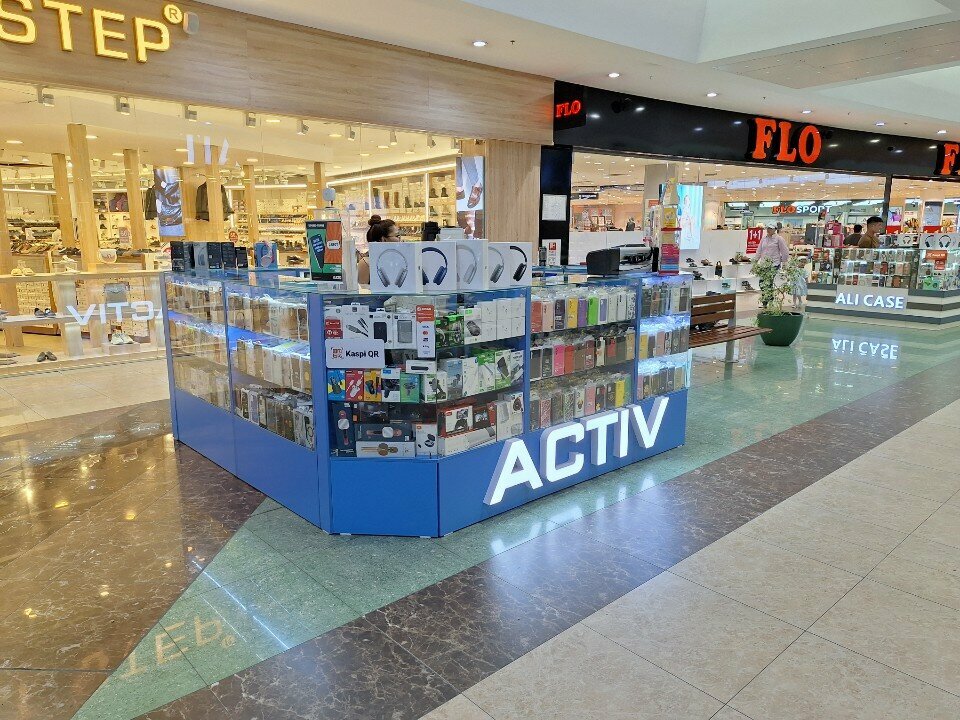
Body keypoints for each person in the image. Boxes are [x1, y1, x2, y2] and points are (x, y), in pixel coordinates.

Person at [756, 224, 789, 308]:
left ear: (775, 229)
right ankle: (766, 301)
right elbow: (759, 250)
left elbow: (785, 251)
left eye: (771, 228)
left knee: (769, 282)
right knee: (762, 282)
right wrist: (755, 261)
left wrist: (784, 262)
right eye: (768, 228)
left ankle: (768, 302)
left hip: (774, 263)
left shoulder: (779, 239)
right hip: (764, 264)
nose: (769, 230)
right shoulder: (764, 239)